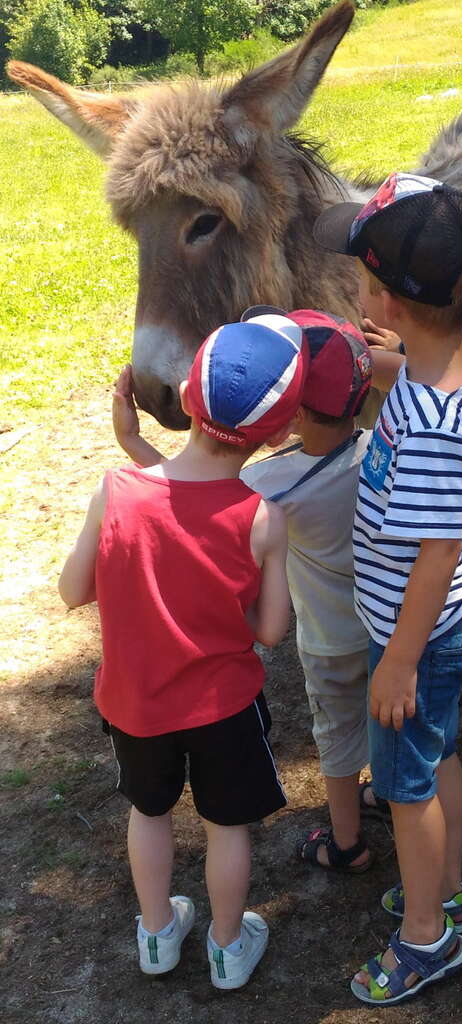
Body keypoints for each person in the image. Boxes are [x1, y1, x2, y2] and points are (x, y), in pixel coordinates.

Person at [58, 315, 308, 990]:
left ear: (188, 399)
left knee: (150, 812)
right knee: (227, 827)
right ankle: (228, 947)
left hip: (136, 703)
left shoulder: (116, 491)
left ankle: (158, 936)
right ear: (280, 431)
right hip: (223, 708)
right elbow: (271, 631)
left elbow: (72, 589)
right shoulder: (263, 518)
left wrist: (132, 445)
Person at [313, 173, 462, 1005]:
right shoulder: (451, 366)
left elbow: (435, 550)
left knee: (405, 784)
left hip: (419, 632)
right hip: (458, 617)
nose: (358, 290)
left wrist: (397, 661)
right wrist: (387, 364)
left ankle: (425, 937)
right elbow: (420, 392)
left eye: (364, 277)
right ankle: (449, 883)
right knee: (439, 751)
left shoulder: (425, 426)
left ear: (386, 295)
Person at [113, 307, 391, 873]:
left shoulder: (271, 485)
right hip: (390, 628)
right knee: (387, 716)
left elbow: (192, 502)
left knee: (337, 738)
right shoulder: (381, 451)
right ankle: (388, 787)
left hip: (330, 640)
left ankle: (346, 842)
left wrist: (134, 445)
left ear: (290, 414)